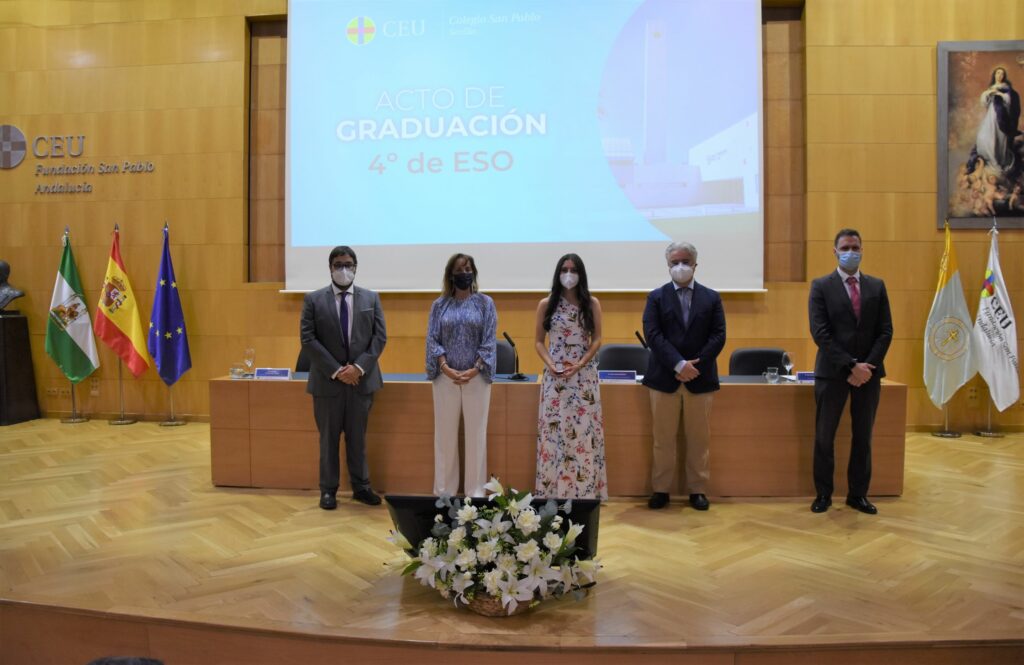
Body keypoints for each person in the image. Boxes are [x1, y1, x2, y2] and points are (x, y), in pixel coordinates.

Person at [808, 229, 893, 515]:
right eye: (845, 247)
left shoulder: (877, 286)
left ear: (862, 249)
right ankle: (823, 495)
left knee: (863, 437)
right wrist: (850, 365)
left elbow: (885, 331)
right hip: (832, 373)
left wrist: (866, 366)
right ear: (834, 250)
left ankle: (858, 495)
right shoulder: (821, 286)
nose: (851, 251)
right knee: (824, 437)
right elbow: (820, 333)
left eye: (855, 246)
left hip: (869, 375)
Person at [300, 246, 387, 509]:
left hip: (361, 381)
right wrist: (338, 371)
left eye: (348, 264)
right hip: (328, 384)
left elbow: (379, 338)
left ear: (356, 267)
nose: (343, 269)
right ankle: (328, 491)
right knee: (328, 440)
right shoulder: (313, 300)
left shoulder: (371, 299)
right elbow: (308, 338)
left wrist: (357, 369)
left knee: (358, 438)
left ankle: (361, 487)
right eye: (338, 265)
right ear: (330, 268)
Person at [642, 241, 726, 511]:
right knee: (662, 439)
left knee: (699, 439)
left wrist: (694, 365)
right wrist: (678, 364)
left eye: (685, 262)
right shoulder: (656, 297)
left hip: (700, 379)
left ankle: (697, 490)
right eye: (674, 262)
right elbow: (653, 335)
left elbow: (719, 335)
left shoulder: (712, 298)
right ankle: (661, 490)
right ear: (668, 266)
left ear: (695, 264)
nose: (680, 267)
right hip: (664, 378)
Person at [534, 253, 607, 500]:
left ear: (581, 274)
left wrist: (581, 363)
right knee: (554, 434)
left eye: (573, 269)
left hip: (583, 375)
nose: (568, 274)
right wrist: (551, 364)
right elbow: (538, 342)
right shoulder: (547, 304)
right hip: (556, 377)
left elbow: (597, 339)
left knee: (583, 433)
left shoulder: (592, 303)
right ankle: (553, 490)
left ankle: (584, 491)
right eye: (564, 269)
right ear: (557, 273)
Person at [425, 253, 497, 497]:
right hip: (446, 378)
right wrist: (445, 367)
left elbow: (489, 340)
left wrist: (475, 369)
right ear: (450, 275)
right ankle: (444, 492)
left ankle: (475, 494)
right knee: (444, 437)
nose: (464, 273)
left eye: (467, 268)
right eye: (459, 269)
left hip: (476, 378)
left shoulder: (485, 303)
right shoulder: (439, 305)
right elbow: (433, 340)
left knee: (477, 436)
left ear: (473, 272)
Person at [971, 66, 1021, 174]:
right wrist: (988, 93)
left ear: (1004, 76)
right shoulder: (991, 87)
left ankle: (999, 161)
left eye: (1002, 74)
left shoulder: (1006, 88)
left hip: (1002, 117)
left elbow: (1010, 101)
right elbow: (984, 102)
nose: (1000, 75)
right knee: (984, 137)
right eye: (998, 73)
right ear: (994, 75)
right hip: (991, 115)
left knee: (999, 138)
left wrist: (1000, 94)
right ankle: (991, 160)